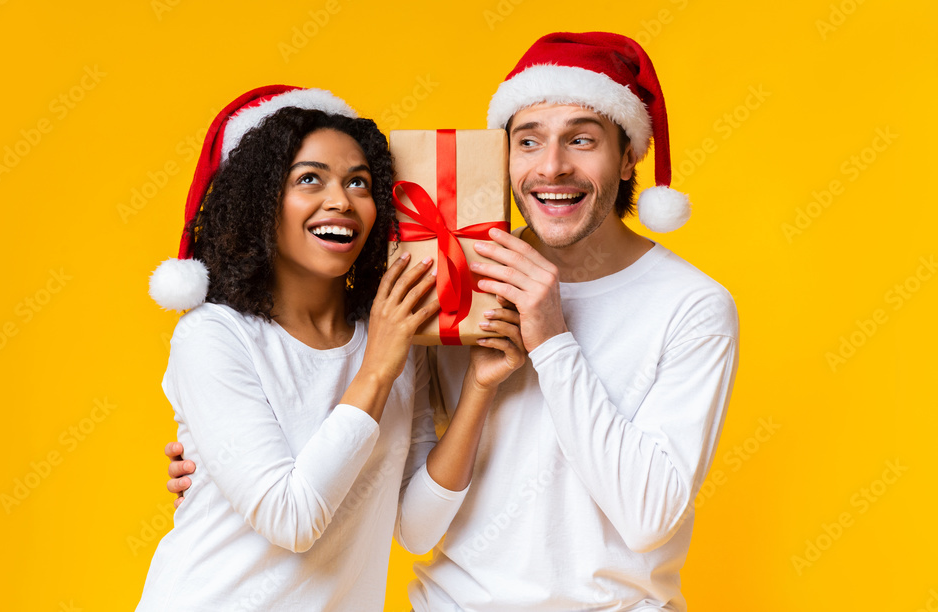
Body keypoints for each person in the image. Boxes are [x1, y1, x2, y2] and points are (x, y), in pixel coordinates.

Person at [170, 32, 738, 611]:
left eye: (583, 140)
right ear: (504, 156)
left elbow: (648, 518)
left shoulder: (692, 305)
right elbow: (389, 511)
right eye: (529, 141)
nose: (553, 166)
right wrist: (217, 464)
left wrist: (550, 340)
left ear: (628, 155)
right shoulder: (448, 281)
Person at [139, 85, 524, 611]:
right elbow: (291, 520)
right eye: (309, 179)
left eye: (358, 182)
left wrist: (480, 385)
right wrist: (377, 370)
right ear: (261, 200)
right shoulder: (213, 336)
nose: (340, 200)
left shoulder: (391, 332)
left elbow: (415, 528)